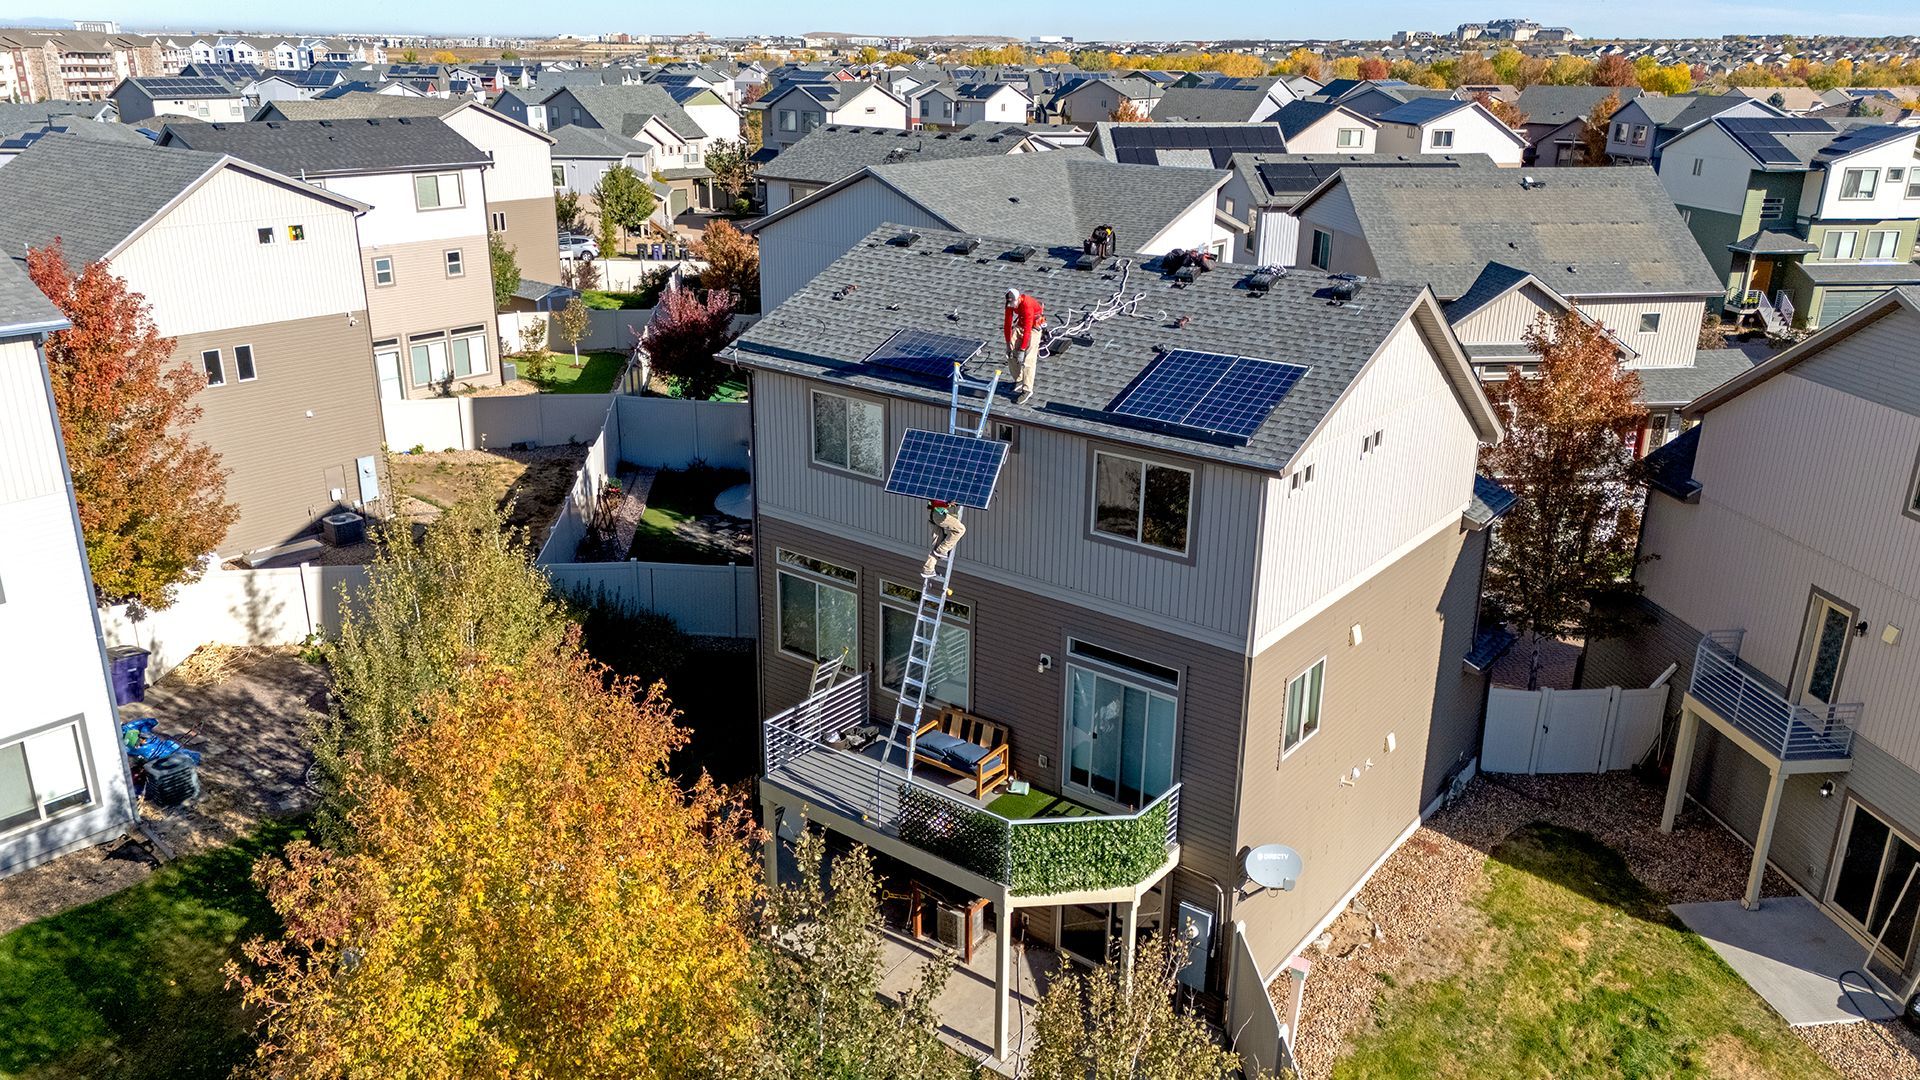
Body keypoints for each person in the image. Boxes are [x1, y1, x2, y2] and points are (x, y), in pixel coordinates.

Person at [1003, 287, 1044, 405]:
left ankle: (1027, 389)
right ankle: (1019, 379)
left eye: (1013, 303)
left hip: (1033, 328)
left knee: (1028, 360)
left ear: (1018, 299)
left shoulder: (1027, 304)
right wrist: (1008, 344)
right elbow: (1007, 324)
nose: (1012, 306)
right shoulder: (1010, 304)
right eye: (1009, 303)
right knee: (1010, 354)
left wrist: (1022, 350)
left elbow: (1027, 330)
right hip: (1021, 325)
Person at [922, 499, 965, 577]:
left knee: (937, 543)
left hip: (932, 513)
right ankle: (942, 550)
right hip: (938, 514)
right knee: (960, 529)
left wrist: (949, 504)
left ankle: (928, 569)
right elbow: (936, 501)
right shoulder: (941, 489)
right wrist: (947, 503)